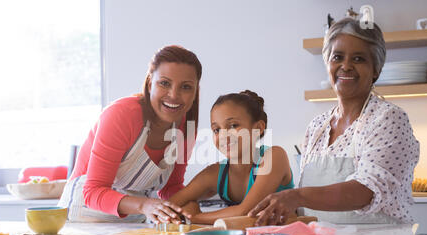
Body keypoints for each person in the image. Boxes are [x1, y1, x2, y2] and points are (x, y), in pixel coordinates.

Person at [248, 17, 427, 235]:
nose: (345, 66)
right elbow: (313, 210)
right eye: (338, 57)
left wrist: (296, 196)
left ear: (375, 70)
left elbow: (364, 191)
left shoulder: (388, 118)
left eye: (358, 58)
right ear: (327, 63)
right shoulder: (317, 127)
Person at [58, 45, 201, 224]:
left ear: (195, 92)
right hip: (85, 217)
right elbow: (93, 191)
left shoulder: (186, 127)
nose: (174, 95)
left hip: (136, 219)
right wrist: (144, 206)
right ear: (150, 84)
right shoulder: (121, 115)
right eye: (164, 83)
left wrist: (190, 209)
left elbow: (171, 187)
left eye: (186, 87)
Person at [169, 90, 294, 225]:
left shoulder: (274, 156)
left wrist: (193, 217)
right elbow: (171, 205)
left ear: (258, 128)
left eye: (233, 125)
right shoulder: (216, 173)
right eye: (217, 130)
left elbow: (245, 211)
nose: (223, 135)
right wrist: (188, 208)